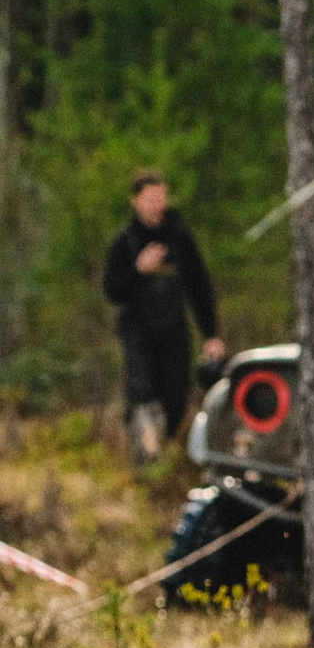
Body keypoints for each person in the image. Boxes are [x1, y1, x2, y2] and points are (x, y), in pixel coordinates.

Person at [102, 171, 224, 460]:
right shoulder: (124, 242)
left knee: (177, 392)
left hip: (174, 327)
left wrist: (211, 334)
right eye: (150, 198)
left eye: (161, 197)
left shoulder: (179, 236)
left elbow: (199, 286)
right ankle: (145, 457)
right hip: (138, 329)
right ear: (135, 201)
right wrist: (138, 270)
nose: (157, 204)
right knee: (142, 390)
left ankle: (166, 451)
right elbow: (112, 291)